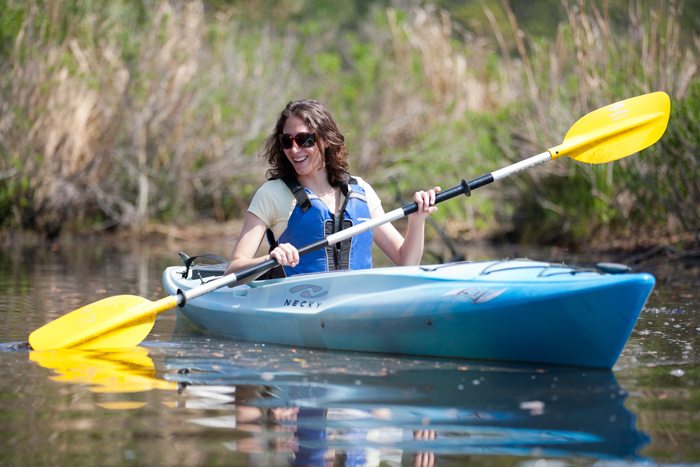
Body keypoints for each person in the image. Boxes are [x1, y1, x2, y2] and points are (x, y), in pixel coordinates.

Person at [224, 99, 440, 278]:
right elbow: (232, 272)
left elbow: (406, 261)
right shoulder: (271, 195)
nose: (294, 149)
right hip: (297, 306)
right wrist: (268, 260)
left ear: (326, 140)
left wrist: (417, 220)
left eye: (304, 139)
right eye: (287, 141)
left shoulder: (361, 191)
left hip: (357, 304)